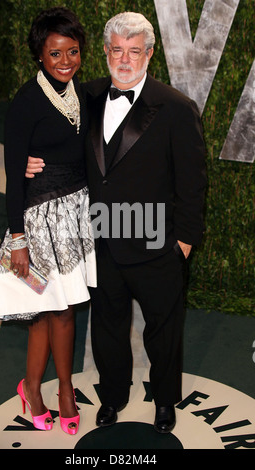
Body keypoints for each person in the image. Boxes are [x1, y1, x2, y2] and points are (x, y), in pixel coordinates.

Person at [26, 12, 206, 434]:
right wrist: (26, 162)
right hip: (100, 240)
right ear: (106, 52)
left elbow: (193, 183)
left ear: (149, 53)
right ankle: (113, 397)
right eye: (118, 50)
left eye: (135, 50)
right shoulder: (83, 97)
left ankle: (164, 402)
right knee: (107, 328)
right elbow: (44, 132)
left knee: (163, 331)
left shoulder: (177, 108)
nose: (125, 59)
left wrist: (184, 242)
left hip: (157, 242)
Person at [0, 7, 96, 435]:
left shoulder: (79, 89)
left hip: (75, 216)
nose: (65, 62)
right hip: (38, 222)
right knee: (47, 312)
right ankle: (35, 387)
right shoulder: (26, 102)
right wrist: (18, 240)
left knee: (64, 310)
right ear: (39, 57)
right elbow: (14, 179)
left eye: (73, 52)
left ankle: (62, 390)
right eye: (55, 54)